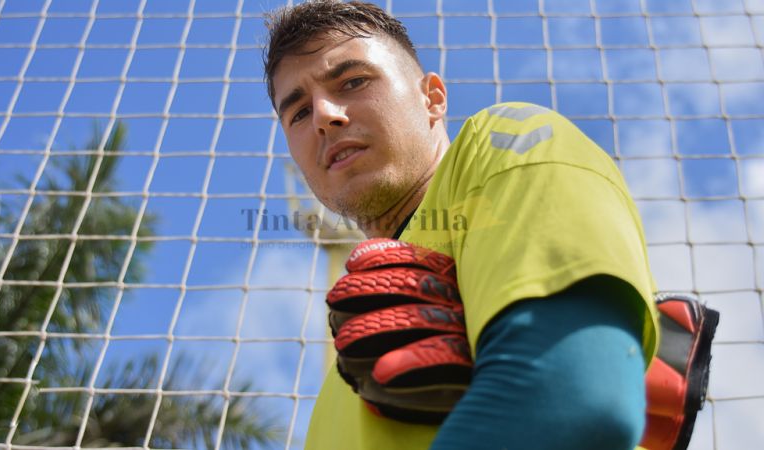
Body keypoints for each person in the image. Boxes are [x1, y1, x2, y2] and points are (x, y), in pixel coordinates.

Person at [263, 1, 716, 449]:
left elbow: (572, 399)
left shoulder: (500, 144)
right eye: (298, 112)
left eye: (353, 81)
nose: (324, 116)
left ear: (432, 98)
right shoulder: (331, 401)